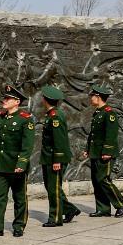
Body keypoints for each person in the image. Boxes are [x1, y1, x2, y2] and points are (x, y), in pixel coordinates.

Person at [0, 85, 35, 238]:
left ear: (17, 102)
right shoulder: (0, 118)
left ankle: (19, 226)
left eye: (8, 99)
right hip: (1, 165)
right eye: (4, 98)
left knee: (19, 198)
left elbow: (27, 145)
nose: (4, 101)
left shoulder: (25, 120)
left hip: (16, 166)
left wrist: (21, 163)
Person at [82, 84, 123, 217]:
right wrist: (88, 149)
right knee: (97, 181)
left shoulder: (109, 113)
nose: (91, 98)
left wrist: (107, 151)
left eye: (92, 96)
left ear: (98, 97)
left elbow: (111, 134)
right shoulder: (98, 113)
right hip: (96, 152)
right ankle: (103, 209)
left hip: (105, 153)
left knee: (103, 179)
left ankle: (121, 205)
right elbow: (93, 134)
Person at [39, 85, 81, 226]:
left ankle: (55, 218)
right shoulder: (52, 114)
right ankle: (70, 210)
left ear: (46, 100)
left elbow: (59, 139)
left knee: (53, 189)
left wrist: (57, 159)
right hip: (49, 157)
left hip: (54, 158)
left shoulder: (55, 116)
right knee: (52, 187)